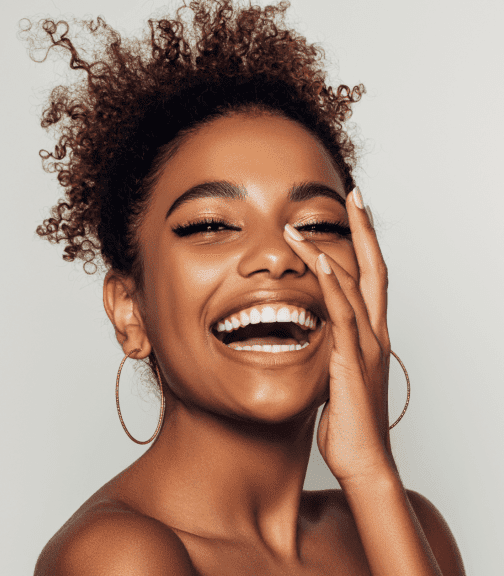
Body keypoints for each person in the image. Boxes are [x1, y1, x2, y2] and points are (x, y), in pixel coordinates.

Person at [27, 1, 465, 573]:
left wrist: (371, 473)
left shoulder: (407, 523)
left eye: (318, 225)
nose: (278, 256)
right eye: (210, 225)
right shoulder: (119, 556)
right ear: (130, 311)